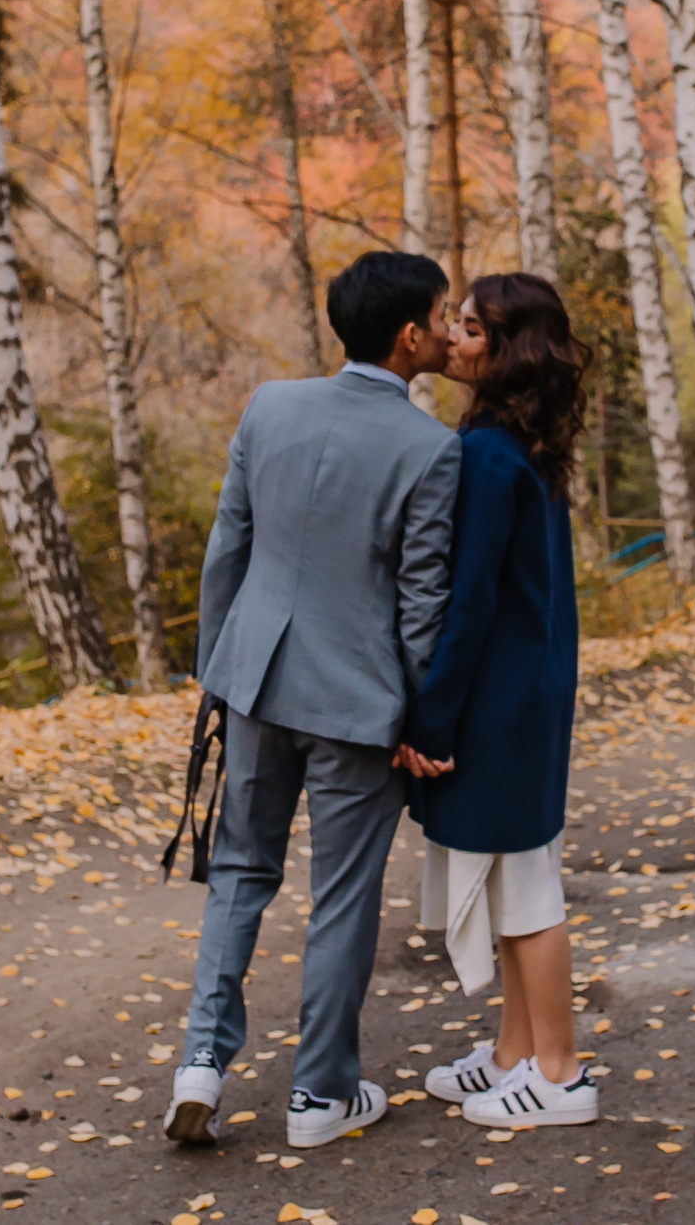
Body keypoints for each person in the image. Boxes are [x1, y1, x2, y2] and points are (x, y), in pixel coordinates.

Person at [167, 251, 461, 1151]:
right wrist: (417, 715)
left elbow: (229, 550)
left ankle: (199, 1067)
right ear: (410, 336)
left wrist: (219, 670)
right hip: (355, 703)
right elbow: (421, 603)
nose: (450, 329)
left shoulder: (270, 405)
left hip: (255, 681)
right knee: (342, 896)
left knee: (239, 875)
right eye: (443, 316)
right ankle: (318, 1097)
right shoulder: (430, 449)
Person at [396, 273, 599, 1129]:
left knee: (527, 890)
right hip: (535, 683)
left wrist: (430, 717)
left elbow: (469, 598)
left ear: (508, 351)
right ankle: (515, 1051)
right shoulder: (519, 442)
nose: (454, 339)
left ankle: (560, 1071)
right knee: (521, 876)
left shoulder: (484, 453)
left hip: (501, 695)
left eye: (473, 329)